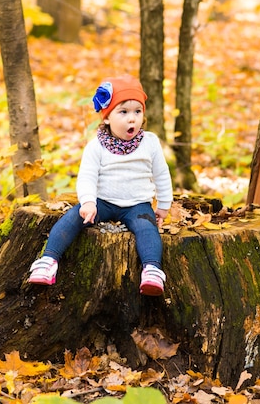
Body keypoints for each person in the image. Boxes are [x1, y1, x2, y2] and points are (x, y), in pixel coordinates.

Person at [28, 74, 173, 296]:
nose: (132, 118)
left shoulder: (150, 142)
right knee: (73, 217)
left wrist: (163, 205)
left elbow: (161, 174)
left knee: (147, 228)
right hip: (102, 202)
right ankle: (48, 260)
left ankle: (152, 269)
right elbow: (87, 176)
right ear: (106, 117)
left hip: (137, 204)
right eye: (123, 112)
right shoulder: (97, 146)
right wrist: (88, 202)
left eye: (137, 111)